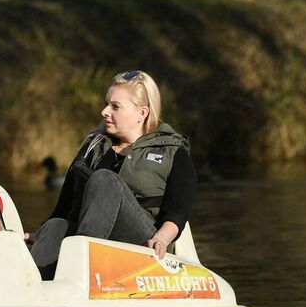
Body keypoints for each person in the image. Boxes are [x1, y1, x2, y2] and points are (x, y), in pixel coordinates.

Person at [31, 70, 197, 269]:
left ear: (142, 113)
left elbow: (178, 212)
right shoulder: (92, 147)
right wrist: (39, 235)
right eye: (106, 104)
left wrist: (161, 238)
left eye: (115, 106)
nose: (105, 112)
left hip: (144, 243)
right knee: (55, 226)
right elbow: (64, 206)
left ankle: (81, 266)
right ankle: (38, 288)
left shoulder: (173, 152)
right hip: (90, 235)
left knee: (104, 180)